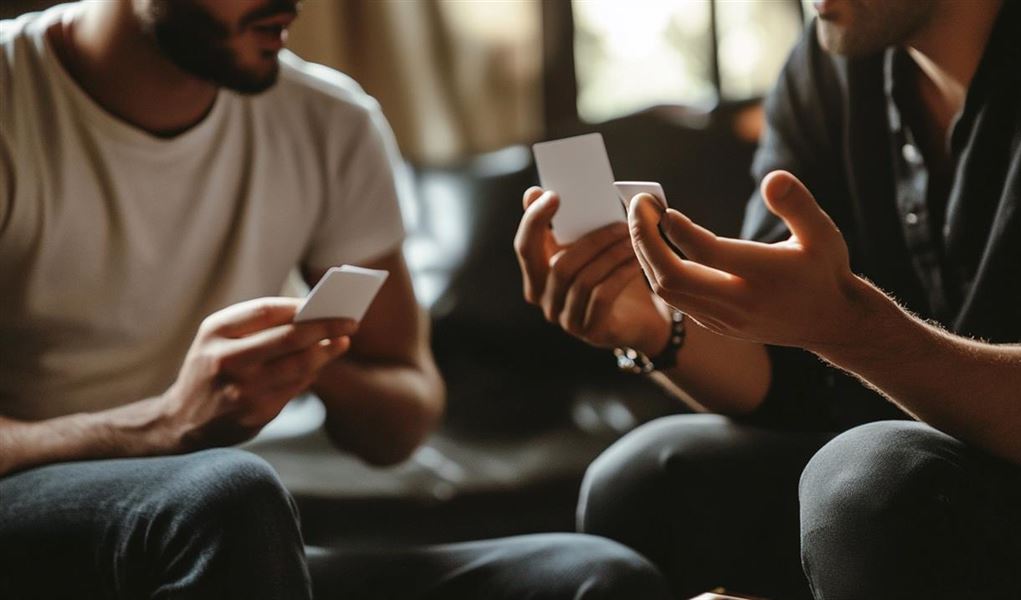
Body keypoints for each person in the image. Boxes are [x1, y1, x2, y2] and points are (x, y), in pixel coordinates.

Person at [0, 1, 672, 598]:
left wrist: (314, 357)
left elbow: (404, 419)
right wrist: (165, 425)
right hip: (45, 518)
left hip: (216, 541)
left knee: (595, 576)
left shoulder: (329, 119)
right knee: (226, 492)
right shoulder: (14, 93)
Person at [514, 0, 1021, 598]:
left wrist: (852, 330)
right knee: (647, 478)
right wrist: (654, 326)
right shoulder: (827, 64)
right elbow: (787, 375)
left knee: (871, 481)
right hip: (918, 484)